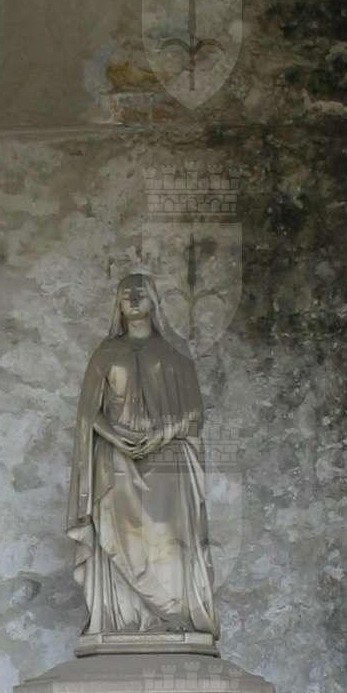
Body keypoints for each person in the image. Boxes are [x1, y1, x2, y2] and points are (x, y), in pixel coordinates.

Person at [67, 268, 218, 642]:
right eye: (126, 295)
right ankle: (120, 619)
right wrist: (118, 440)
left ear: (154, 301)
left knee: (168, 538)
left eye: (140, 293)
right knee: (119, 537)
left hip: (167, 459)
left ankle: (173, 614)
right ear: (118, 306)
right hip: (116, 460)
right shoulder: (106, 353)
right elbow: (88, 412)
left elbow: (195, 413)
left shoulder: (174, 355)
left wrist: (160, 435)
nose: (133, 300)